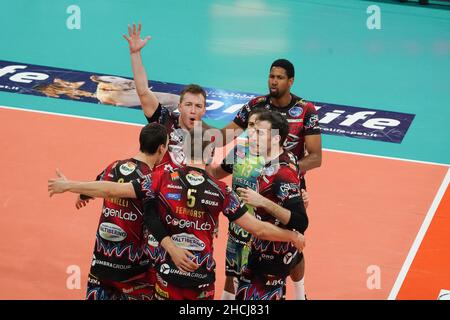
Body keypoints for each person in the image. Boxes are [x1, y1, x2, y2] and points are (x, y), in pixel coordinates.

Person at [48, 124, 306, 300]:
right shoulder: (220, 191)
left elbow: (114, 189)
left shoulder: (162, 176)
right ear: (210, 154)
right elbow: (257, 228)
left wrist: (69, 185)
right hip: (201, 279)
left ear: (182, 152)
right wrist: (291, 237)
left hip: (167, 275)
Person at [220, 58, 321, 299]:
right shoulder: (256, 104)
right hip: (251, 180)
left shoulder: (306, 110)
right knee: (243, 238)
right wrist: (196, 142)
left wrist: (282, 170)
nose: (273, 81)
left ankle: (299, 293)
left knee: (291, 248)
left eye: (279, 77)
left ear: (291, 81)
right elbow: (225, 134)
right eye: (271, 76)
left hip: (285, 182)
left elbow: (315, 157)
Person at [48, 123, 168, 299]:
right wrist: (72, 188)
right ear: (161, 148)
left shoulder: (114, 166)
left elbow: (99, 184)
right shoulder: (152, 181)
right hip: (133, 271)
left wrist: (83, 195)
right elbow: (109, 189)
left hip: (102, 264)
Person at [233, 111, 308, 300]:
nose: (251, 135)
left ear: (275, 139)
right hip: (263, 253)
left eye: (259, 133)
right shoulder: (285, 158)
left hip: (270, 262)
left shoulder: (282, 173)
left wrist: (262, 201)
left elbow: (300, 221)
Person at [123, 23, 207, 172]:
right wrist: (135, 54)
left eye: (198, 106)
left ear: (204, 110)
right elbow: (143, 91)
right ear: (180, 107)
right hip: (154, 188)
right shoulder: (164, 120)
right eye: (188, 104)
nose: (193, 110)